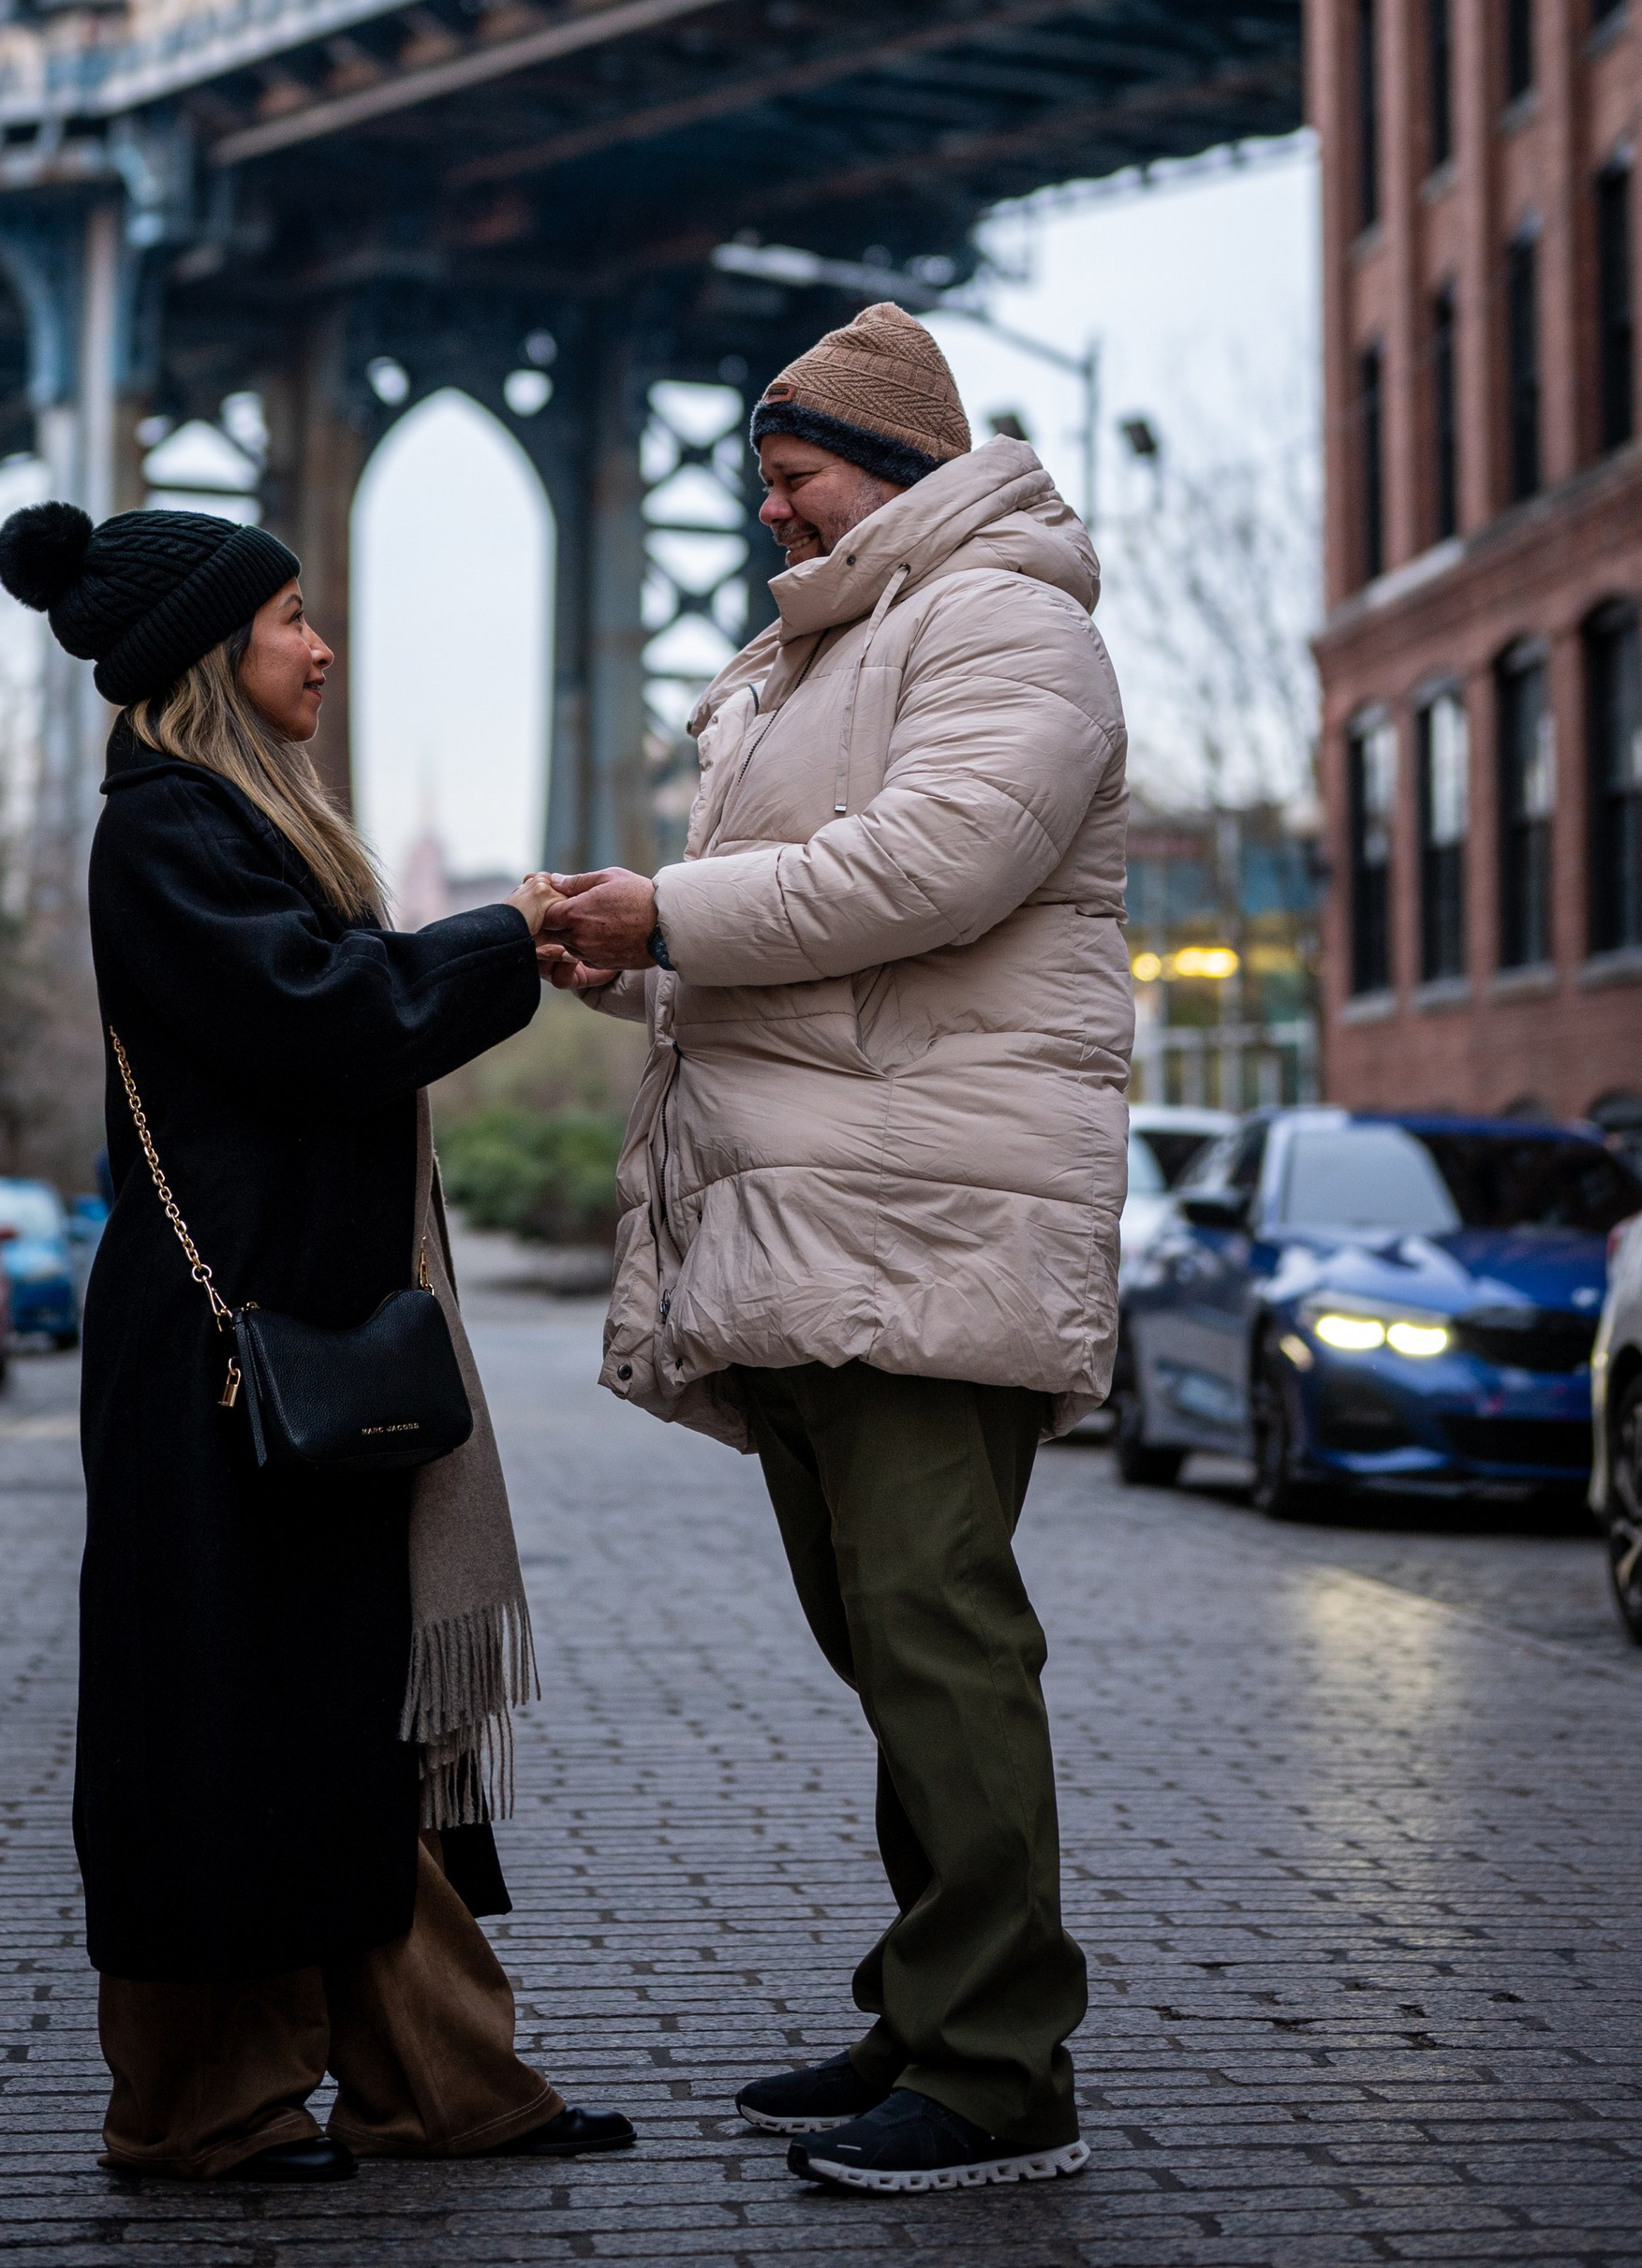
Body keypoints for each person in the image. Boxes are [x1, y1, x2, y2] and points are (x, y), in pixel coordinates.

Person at [543, 301, 1130, 2199]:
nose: (771, 518)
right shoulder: (823, 653)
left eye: (791, 481)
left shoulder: (1003, 622)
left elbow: (933, 864)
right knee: (886, 1642)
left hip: (929, 1210)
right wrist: (634, 949)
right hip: (823, 1211)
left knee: (941, 1640)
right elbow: (782, 943)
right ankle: (927, 2000)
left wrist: (670, 913)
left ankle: (994, 2071)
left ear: (881, 467)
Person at [0, 495, 631, 2187]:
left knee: (341, 1721)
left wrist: (497, 943)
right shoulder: (166, 836)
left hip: (303, 1337)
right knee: (223, 1729)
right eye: (290, 617)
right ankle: (201, 2102)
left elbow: (336, 1013)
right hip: (219, 1362)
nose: (320, 642)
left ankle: (441, 2080)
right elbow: (320, 1024)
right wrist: (509, 938)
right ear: (215, 653)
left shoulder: (246, 825)